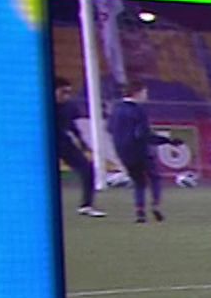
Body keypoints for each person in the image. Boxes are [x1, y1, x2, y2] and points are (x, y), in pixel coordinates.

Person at [106, 82, 178, 224]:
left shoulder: (116, 109)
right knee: (155, 177)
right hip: (139, 150)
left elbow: (109, 129)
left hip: (122, 152)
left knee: (138, 182)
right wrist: (167, 141)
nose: (146, 95)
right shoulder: (138, 111)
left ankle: (140, 212)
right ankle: (155, 205)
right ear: (137, 93)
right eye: (145, 92)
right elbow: (142, 134)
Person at [54, 77, 105, 217]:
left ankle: (86, 205)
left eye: (69, 92)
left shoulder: (69, 107)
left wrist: (82, 143)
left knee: (87, 169)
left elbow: (73, 126)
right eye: (63, 92)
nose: (66, 96)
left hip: (63, 142)